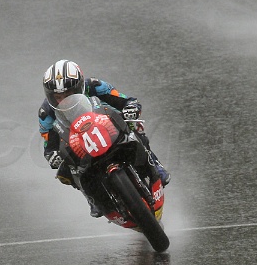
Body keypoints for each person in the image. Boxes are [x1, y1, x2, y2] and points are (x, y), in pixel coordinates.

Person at [38, 59, 170, 217]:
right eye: (58, 96)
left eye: (69, 94)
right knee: (65, 171)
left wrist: (131, 108)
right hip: (77, 143)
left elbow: (125, 100)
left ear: (80, 86)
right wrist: (52, 155)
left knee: (135, 128)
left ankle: (154, 165)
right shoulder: (46, 112)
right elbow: (49, 144)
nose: (64, 100)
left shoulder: (94, 85)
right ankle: (92, 198)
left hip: (106, 126)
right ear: (50, 96)